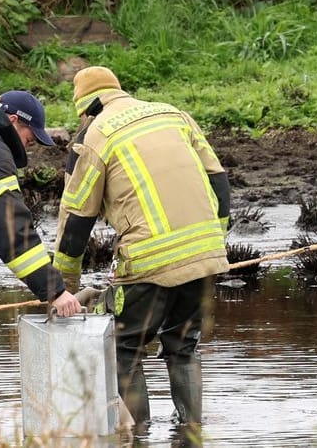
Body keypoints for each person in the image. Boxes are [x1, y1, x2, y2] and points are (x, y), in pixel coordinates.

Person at [51, 66, 231, 428]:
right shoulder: (173, 114)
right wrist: (213, 245)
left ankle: (141, 434)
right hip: (206, 255)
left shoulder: (94, 136)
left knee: (125, 349)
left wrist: (66, 290)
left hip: (148, 260)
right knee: (183, 346)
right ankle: (191, 431)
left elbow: (75, 226)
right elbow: (220, 184)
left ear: (85, 111)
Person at [0, 90, 82, 317]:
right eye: (29, 139)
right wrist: (55, 290)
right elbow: (9, 227)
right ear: (13, 120)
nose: (26, 148)